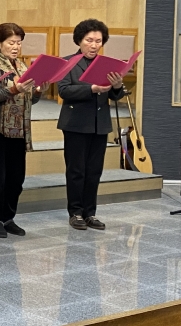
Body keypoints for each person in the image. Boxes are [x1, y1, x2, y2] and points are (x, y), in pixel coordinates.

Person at [0, 23, 47, 238]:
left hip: (18, 129)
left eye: (19, 42)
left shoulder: (23, 66)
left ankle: (9, 218)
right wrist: (16, 88)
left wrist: (38, 92)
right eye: (11, 42)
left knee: (16, 179)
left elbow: (29, 100)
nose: (16, 47)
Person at [58, 18, 125, 231]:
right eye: (89, 40)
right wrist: (92, 89)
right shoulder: (68, 62)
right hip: (76, 123)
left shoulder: (106, 64)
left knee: (94, 171)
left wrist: (117, 86)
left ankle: (90, 213)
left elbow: (115, 96)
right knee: (76, 170)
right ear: (79, 40)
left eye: (98, 41)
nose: (94, 45)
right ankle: (75, 212)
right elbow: (64, 91)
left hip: (99, 124)